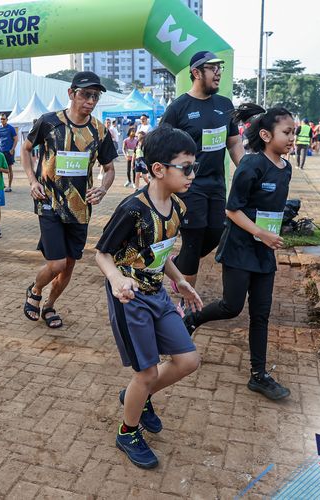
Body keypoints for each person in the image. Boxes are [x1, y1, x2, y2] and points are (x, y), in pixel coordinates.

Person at [95, 124, 203, 469]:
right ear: (158, 169)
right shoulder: (132, 209)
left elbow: (160, 252)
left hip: (158, 295)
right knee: (146, 373)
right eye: (186, 167)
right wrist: (116, 280)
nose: (192, 174)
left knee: (188, 360)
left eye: (194, 166)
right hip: (130, 300)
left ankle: (136, 398)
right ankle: (127, 432)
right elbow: (102, 253)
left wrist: (180, 280)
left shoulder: (178, 208)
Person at [184, 103, 295, 401]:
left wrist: (281, 222)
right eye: (286, 132)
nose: (292, 138)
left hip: (264, 253)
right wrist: (261, 232)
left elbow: (270, 207)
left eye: (293, 132)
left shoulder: (286, 169)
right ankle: (192, 320)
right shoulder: (251, 165)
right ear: (266, 135)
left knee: (261, 314)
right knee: (231, 307)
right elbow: (232, 210)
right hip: (239, 249)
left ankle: (259, 376)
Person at [21, 71, 117, 329]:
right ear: (71, 93)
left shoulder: (99, 130)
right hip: (49, 201)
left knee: (69, 266)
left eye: (95, 96)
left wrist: (102, 189)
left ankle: (49, 306)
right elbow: (26, 149)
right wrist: (32, 181)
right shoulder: (49, 122)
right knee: (57, 263)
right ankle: (35, 289)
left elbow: (109, 168)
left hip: (80, 208)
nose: (90, 101)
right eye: (85, 94)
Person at [160, 50, 245, 293]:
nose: (218, 73)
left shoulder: (225, 105)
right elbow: (161, 144)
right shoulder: (178, 108)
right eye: (212, 68)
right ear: (196, 73)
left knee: (216, 233)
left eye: (220, 68)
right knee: (193, 239)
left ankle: (177, 265)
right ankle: (186, 303)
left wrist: (247, 169)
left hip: (217, 184)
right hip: (189, 185)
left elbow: (234, 143)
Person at [0, 113, 17, 192]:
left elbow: (16, 139)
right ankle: (2, 184)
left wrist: (12, 149)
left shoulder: (11, 128)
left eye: (3, 119)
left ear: (7, 120)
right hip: (0, 151)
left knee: (9, 168)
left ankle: (9, 186)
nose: (2, 120)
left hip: (9, 151)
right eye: (1, 119)